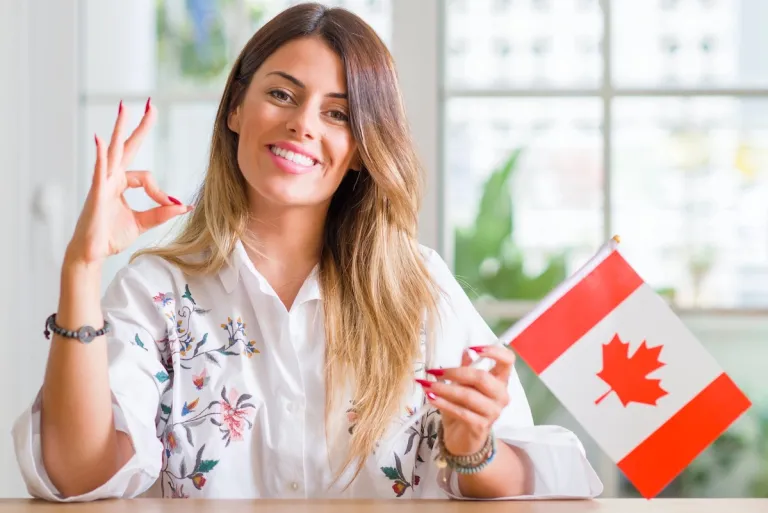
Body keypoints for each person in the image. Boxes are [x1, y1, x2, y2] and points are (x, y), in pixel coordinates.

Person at [12, 3, 603, 501]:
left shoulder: (416, 286)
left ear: (364, 149)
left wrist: (474, 447)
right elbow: (77, 476)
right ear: (236, 110)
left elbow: (540, 476)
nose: (303, 125)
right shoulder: (155, 290)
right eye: (281, 94)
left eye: (338, 113)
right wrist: (82, 269)